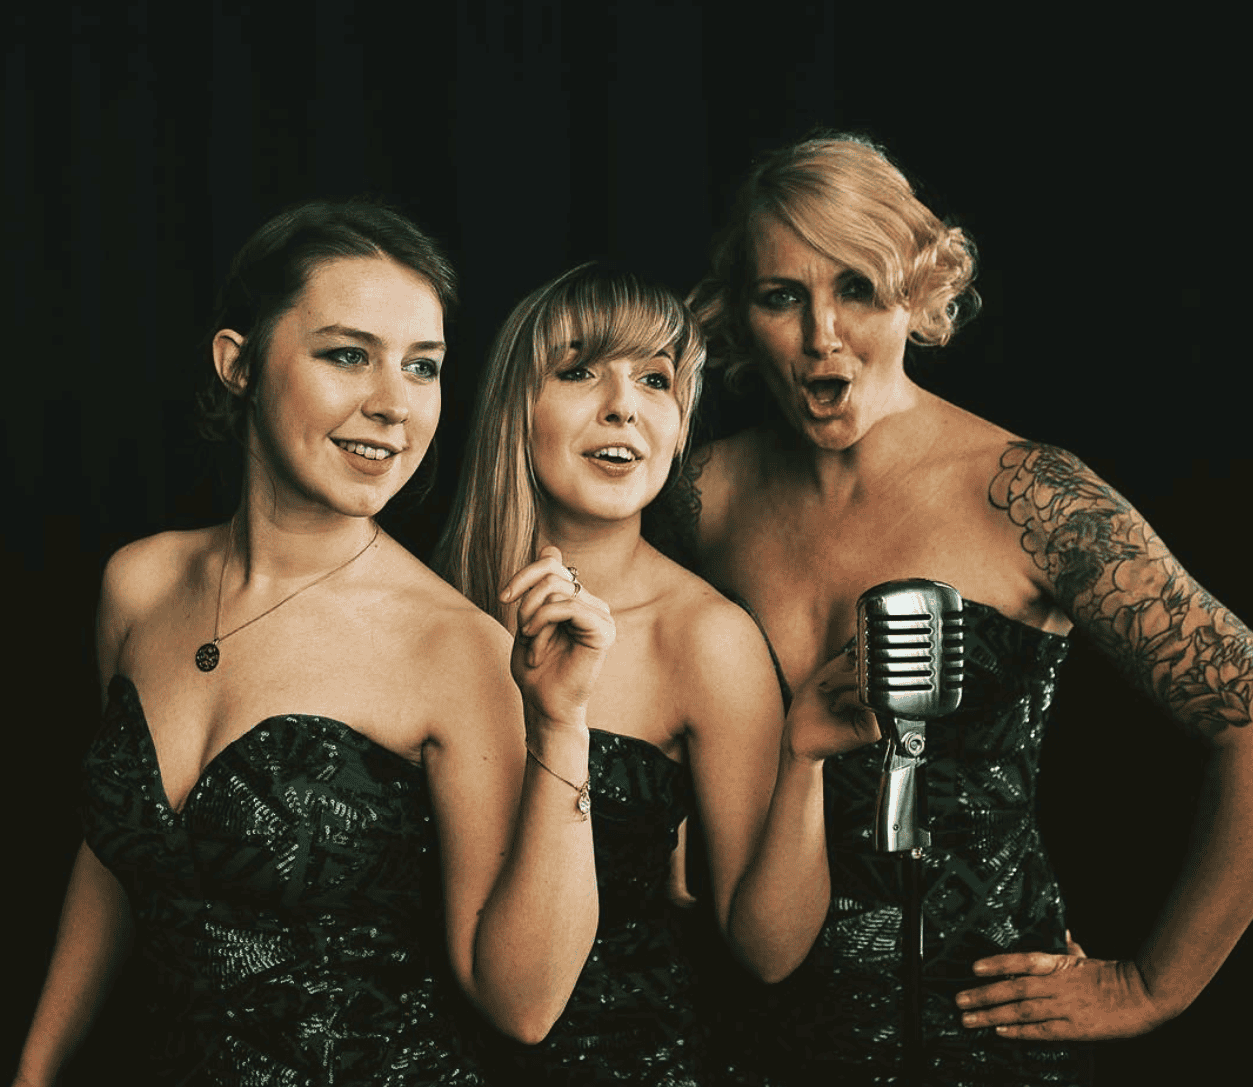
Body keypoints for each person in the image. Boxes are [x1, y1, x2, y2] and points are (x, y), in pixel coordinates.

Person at [664, 133, 1253, 1085]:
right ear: (739, 311)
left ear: (916, 291)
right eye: (782, 296)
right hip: (743, 1031)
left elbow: (1249, 712)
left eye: (855, 287)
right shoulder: (697, 496)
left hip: (981, 1043)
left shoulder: (1028, 496)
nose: (822, 334)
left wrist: (1154, 986)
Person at [11, 200, 602, 1086]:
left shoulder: (452, 645)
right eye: (347, 355)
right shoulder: (139, 586)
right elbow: (115, 857)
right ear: (238, 364)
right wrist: (35, 1067)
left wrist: (561, 725)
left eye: (423, 367)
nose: (393, 405)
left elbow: (522, 1003)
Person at [436, 263, 872, 1086]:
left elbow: (769, 953)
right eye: (577, 372)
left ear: (678, 425)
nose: (622, 405)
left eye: (653, 379)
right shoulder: (429, 609)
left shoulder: (703, 637)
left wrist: (803, 764)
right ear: (512, 410)